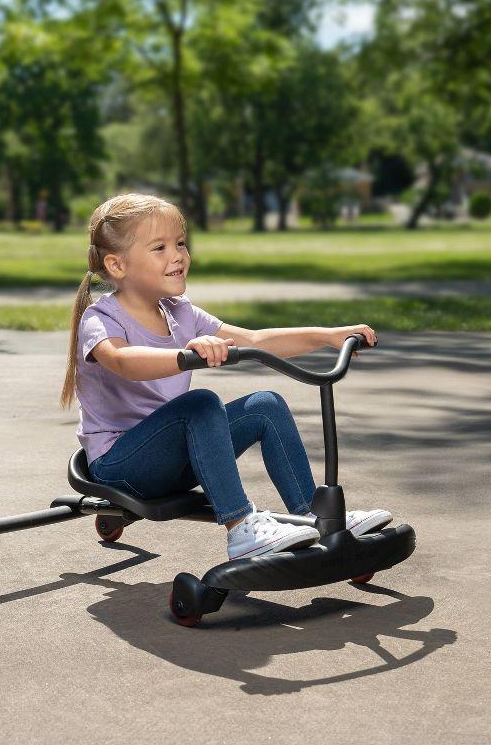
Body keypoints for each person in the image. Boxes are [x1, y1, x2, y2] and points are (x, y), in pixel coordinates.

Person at [60, 193, 392, 561]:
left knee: (265, 405)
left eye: (181, 243)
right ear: (116, 265)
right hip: (121, 466)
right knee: (200, 404)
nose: (178, 255)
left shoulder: (180, 313)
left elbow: (255, 340)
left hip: (177, 460)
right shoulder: (101, 319)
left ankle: (313, 517)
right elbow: (122, 360)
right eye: (160, 247)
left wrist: (327, 335)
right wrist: (185, 357)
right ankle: (241, 529)